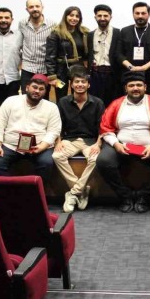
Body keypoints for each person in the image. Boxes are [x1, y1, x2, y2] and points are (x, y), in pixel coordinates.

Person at [96, 71, 150, 213]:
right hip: (120, 145)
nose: (135, 88)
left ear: (145, 87)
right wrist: (116, 144)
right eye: (131, 85)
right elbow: (105, 128)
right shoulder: (116, 104)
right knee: (103, 161)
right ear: (125, 88)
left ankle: (144, 197)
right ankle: (125, 196)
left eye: (139, 85)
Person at [0, 74, 61, 183]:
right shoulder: (11, 101)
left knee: (47, 163)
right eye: (34, 87)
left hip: (39, 145)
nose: (37, 91)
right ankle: (11, 190)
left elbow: (54, 131)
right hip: (11, 145)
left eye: (41, 89)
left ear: (45, 92)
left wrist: (42, 146)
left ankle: (36, 191)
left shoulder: (52, 107)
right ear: (27, 87)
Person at [54, 67, 105, 213]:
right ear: (71, 84)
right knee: (57, 155)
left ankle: (73, 193)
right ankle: (81, 190)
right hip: (70, 140)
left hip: (91, 141)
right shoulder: (63, 102)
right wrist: (58, 141)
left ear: (88, 85)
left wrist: (98, 144)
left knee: (96, 159)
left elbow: (103, 127)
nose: (80, 85)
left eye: (83, 82)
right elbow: (56, 124)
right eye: (77, 82)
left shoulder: (98, 103)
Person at [117, 2, 150, 95]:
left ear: (149, 14)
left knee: (149, 101)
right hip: (128, 74)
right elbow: (119, 53)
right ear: (133, 14)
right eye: (137, 13)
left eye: (143, 13)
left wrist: (144, 67)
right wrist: (130, 67)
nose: (140, 16)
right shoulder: (124, 31)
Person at [46, 6, 89, 101]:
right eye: (71, 15)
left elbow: (87, 53)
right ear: (65, 16)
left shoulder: (84, 32)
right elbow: (50, 56)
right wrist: (52, 77)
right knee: (61, 97)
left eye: (77, 16)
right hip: (61, 71)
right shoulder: (56, 32)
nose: (74, 18)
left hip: (79, 68)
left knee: (78, 96)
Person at [19, 0, 57, 92]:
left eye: (37, 6)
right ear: (27, 9)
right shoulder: (22, 24)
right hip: (27, 68)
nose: (35, 9)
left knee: (43, 96)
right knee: (25, 94)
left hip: (45, 69)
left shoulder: (53, 24)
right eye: (31, 7)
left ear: (42, 7)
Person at [87, 4, 122, 106]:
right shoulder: (90, 35)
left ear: (110, 17)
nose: (102, 18)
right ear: (95, 17)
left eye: (105, 16)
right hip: (95, 75)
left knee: (112, 103)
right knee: (96, 103)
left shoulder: (118, 33)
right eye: (99, 16)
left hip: (113, 74)